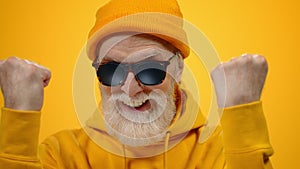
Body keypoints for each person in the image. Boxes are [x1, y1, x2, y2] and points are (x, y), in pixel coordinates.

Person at [0, 0, 273, 168]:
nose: (130, 89)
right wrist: (18, 115)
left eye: (150, 69)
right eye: (111, 70)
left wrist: (242, 113)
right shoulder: (61, 154)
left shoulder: (225, 152)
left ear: (178, 69)